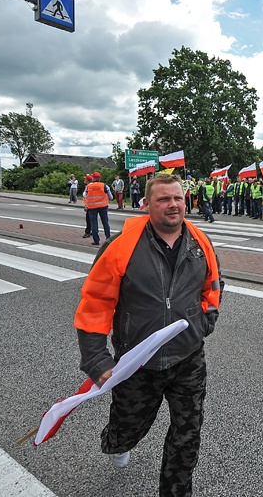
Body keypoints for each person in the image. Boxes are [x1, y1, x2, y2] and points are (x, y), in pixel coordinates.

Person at [74, 174, 222, 492]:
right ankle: (118, 441)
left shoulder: (201, 243)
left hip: (188, 357)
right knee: (127, 427)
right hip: (136, 362)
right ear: (146, 205)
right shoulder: (119, 248)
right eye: (163, 199)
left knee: (187, 434)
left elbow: (213, 285)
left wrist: (206, 321)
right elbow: (95, 305)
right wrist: (97, 361)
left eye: (178, 198)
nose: (173, 205)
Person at [84, 172, 113, 245]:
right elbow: (111, 197)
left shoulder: (89, 186)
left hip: (92, 207)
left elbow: (84, 195)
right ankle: (108, 238)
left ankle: (96, 241)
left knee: (94, 223)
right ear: (100, 178)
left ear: (93, 178)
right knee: (105, 222)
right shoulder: (104, 186)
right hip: (103, 206)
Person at [82, 174, 94, 238]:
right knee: (92, 219)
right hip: (94, 205)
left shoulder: (89, 187)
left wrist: (86, 206)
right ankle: (93, 231)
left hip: (90, 205)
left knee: (88, 219)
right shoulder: (90, 186)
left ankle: (88, 232)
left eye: (85, 179)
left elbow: (88, 197)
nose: (84, 180)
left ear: (87, 180)